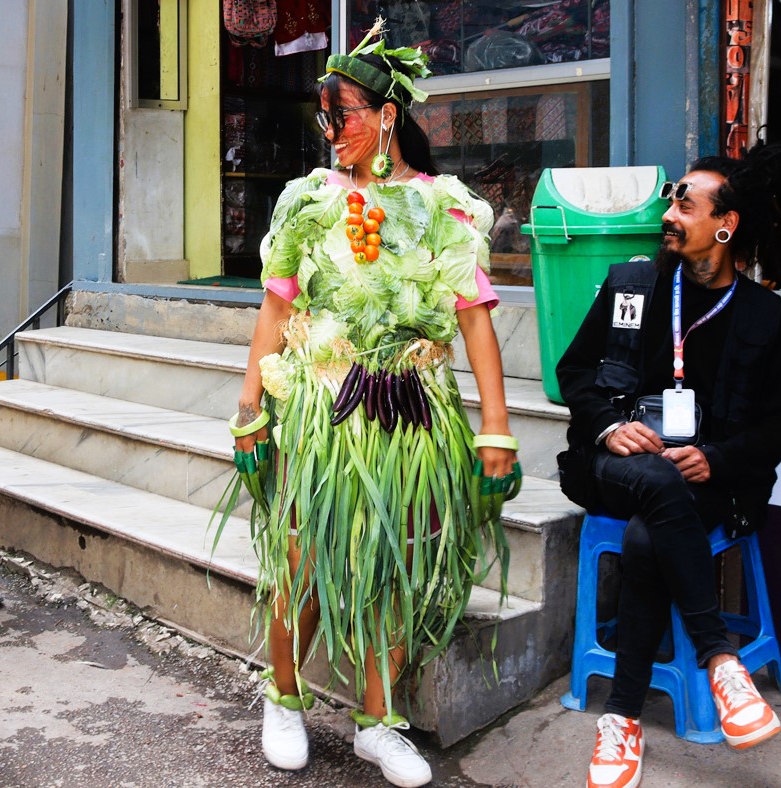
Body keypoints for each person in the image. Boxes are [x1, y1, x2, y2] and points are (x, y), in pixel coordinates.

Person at [224, 26, 517, 786]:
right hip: (327, 405)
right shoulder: (311, 202)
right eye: (324, 119)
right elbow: (273, 310)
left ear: (388, 115)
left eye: (344, 115)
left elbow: (474, 317)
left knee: (399, 562)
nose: (333, 133)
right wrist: (250, 405)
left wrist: (496, 427)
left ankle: (376, 722)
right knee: (307, 561)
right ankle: (283, 698)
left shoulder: (444, 208)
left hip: (415, 411)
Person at [555, 151, 781, 788]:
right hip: (614, 466)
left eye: (684, 206)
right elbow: (574, 373)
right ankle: (720, 657)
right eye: (671, 202)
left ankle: (622, 722)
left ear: (726, 225)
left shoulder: (764, 316)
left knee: (647, 538)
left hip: (708, 483)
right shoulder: (631, 286)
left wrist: (716, 457)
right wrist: (610, 428)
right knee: (655, 484)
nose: (668, 215)